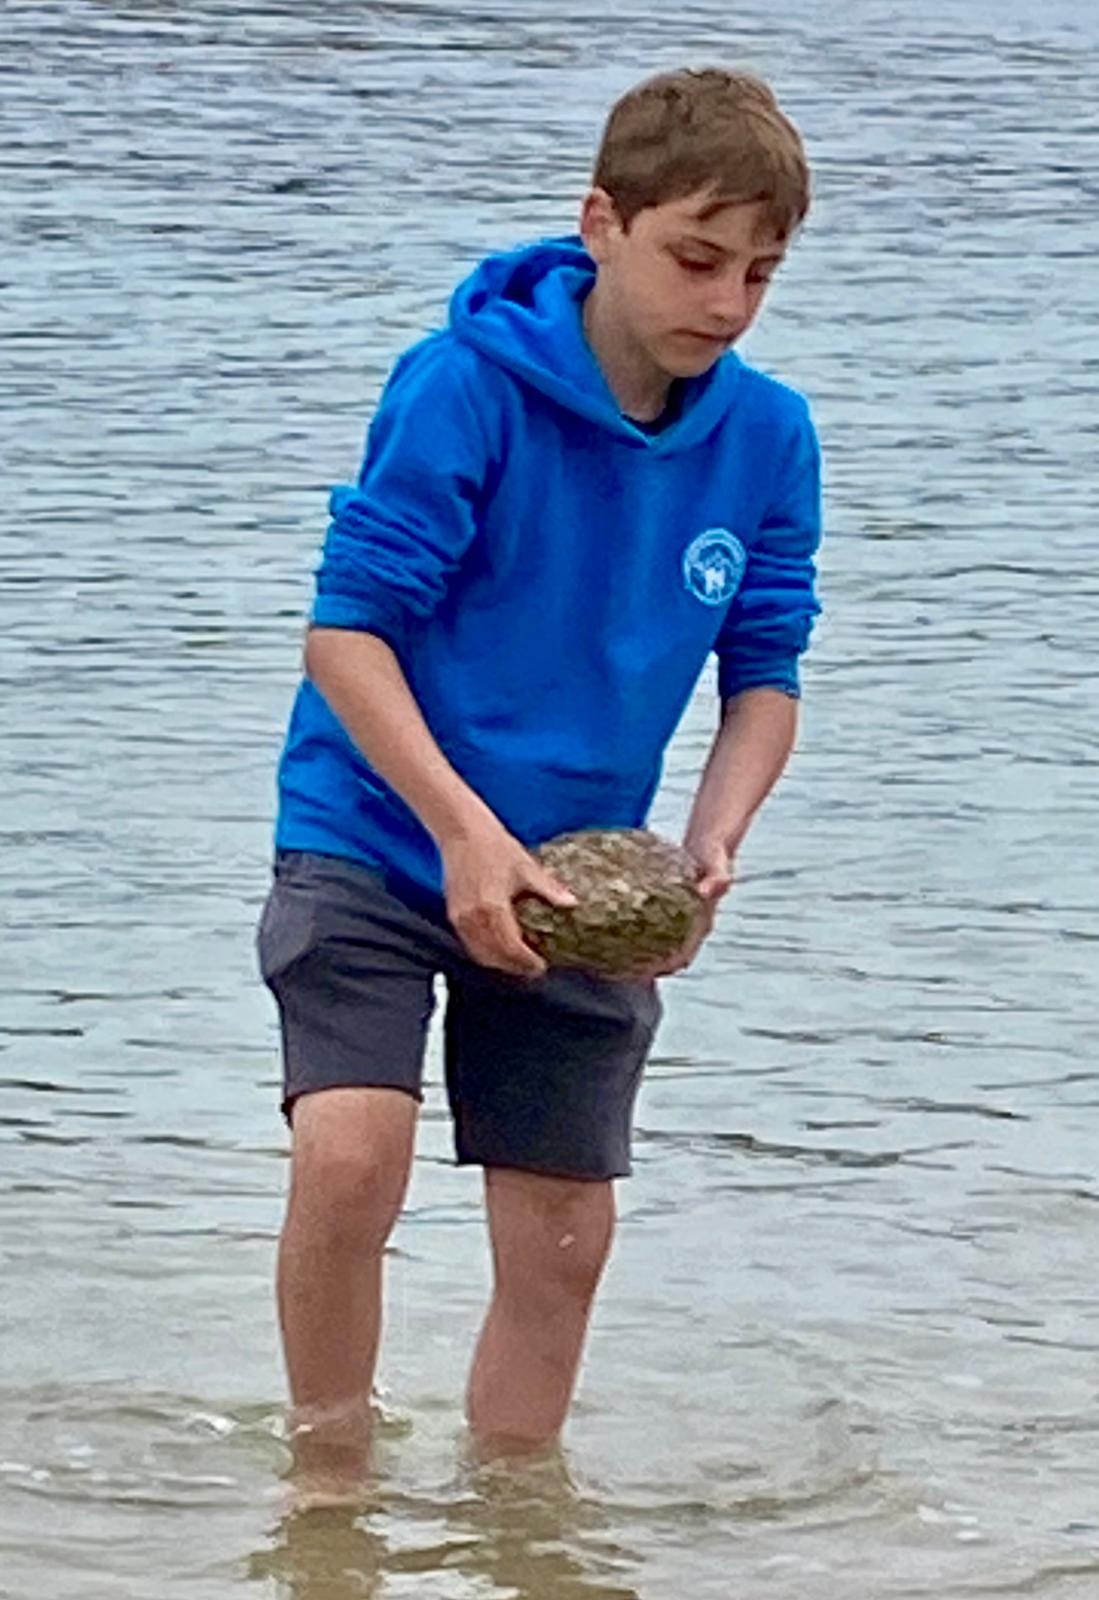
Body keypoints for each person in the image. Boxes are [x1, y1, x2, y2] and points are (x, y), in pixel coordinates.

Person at [256, 65, 823, 1500]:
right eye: (696, 258)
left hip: (583, 868)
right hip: (378, 828)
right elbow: (346, 635)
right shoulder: (462, 388)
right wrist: (461, 833)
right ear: (602, 224)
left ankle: (518, 1517)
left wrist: (710, 840)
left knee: (565, 1233)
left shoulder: (768, 438)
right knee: (350, 1156)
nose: (727, 302)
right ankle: (328, 1494)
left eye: (760, 274)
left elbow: (766, 671)